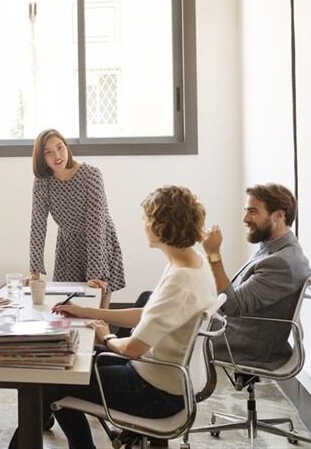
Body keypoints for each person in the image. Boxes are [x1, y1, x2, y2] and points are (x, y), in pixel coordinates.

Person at [13, 185, 217, 449]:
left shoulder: (180, 279)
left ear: (161, 225)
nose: (143, 224)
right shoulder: (192, 262)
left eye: (146, 219)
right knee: (68, 363)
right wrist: (87, 311)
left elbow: (132, 348)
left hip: (153, 392)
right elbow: (148, 315)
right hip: (165, 379)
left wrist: (106, 336)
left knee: (51, 380)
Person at [202, 183, 311, 369]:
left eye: (253, 212)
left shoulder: (282, 262)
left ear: (279, 215)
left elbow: (231, 306)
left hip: (244, 346)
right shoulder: (273, 248)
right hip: (236, 330)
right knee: (163, 307)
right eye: (246, 211)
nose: (245, 219)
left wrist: (214, 254)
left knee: (166, 327)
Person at [27, 129, 125, 308]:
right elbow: (38, 225)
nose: (57, 156)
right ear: (41, 158)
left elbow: (96, 225)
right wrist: (34, 271)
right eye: (48, 152)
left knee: (98, 313)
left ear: (67, 147)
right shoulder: (42, 182)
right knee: (66, 309)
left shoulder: (91, 175)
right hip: (68, 247)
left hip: (99, 244)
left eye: (60, 147)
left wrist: (95, 273)